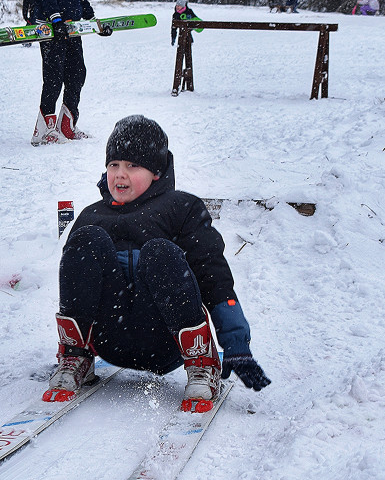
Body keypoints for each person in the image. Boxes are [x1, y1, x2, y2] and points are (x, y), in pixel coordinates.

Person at [43, 115, 271, 412]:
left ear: (157, 172)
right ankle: (76, 354)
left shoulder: (181, 208)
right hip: (109, 338)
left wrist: (236, 341)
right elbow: (75, 280)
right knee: (86, 240)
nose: (120, 174)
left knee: (158, 251)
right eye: (114, 165)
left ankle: (202, 362)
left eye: (132, 165)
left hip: (168, 340)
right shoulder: (91, 216)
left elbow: (213, 275)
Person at [28, 0, 109, 145]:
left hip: (72, 28)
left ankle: (67, 125)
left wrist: (93, 20)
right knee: (53, 77)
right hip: (51, 27)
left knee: (77, 74)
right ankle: (44, 130)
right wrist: (55, 19)